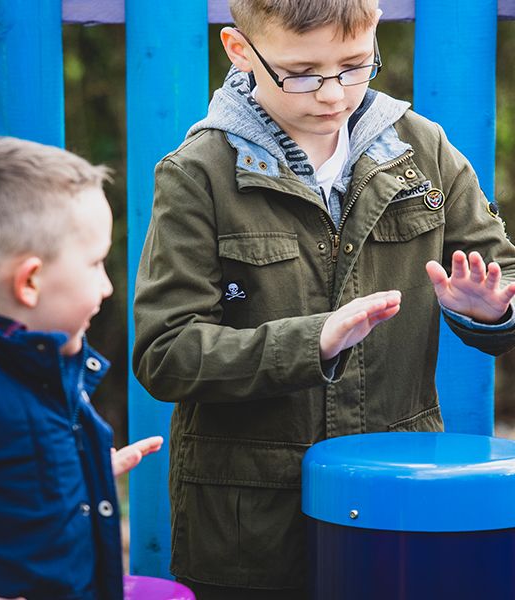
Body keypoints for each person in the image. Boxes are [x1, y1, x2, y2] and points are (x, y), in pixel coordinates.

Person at [132, 0, 515, 598]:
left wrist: (492, 309)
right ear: (239, 50)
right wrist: (313, 342)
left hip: (397, 497)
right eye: (303, 72)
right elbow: (166, 353)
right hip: (250, 526)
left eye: (356, 65)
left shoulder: (424, 150)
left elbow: (503, 272)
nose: (334, 94)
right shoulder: (197, 174)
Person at [0, 135, 163, 600]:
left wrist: (78, 476)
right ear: (30, 281)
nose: (108, 287)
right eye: (95, 264)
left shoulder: (36, 359)